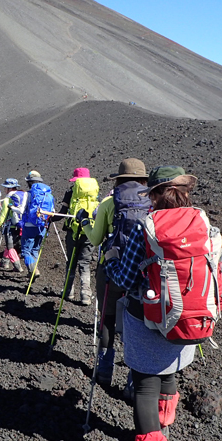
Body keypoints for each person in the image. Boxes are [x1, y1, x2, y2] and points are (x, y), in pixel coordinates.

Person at [105, 166, 222, 441]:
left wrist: (111, 259)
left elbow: (125, 279)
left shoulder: (145, 227)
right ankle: (163, 424)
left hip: (147, 320)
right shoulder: (206, 226)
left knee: (145, 387)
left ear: (153, 195)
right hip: (192, 325)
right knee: (169, 373)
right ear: (185, 193)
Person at [77, 158, 149, 384]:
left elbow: (96, 239)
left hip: (112, 270)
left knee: (107, 319)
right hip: (144, 273)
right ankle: (132, 380)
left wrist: (84, 222)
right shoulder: (153, 202)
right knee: (137, 323)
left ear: (119, 180)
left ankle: (105, 372)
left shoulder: (109, 203)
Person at [52, 167, 99, 305]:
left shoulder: (70, 192)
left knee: (71, 262)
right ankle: (86, 294)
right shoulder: (94, 193)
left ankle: (68, 292)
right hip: (89, 231)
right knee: (85, 263)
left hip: (73, 232)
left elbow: (62, 213)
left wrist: (49, 218)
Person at [18, 170, 54, 277]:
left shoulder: (27, 194)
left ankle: (33, 270)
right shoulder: (48, 195)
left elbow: (21, 210)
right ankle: (35, 269)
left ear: (29, 182)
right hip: (42, 225)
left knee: (25, 251)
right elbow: (52, 211)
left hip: (29, 225)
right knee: (35, 249)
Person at [0, 178, 25, 272]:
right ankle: (4, 263)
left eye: (5, 188)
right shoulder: (23, 196)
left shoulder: (7, 199)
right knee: (11, 245)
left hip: (10, 226)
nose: (4, 189)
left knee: (10, 246)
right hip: (22, 225)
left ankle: (18, 266)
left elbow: (3, 214)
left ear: (9, 188)